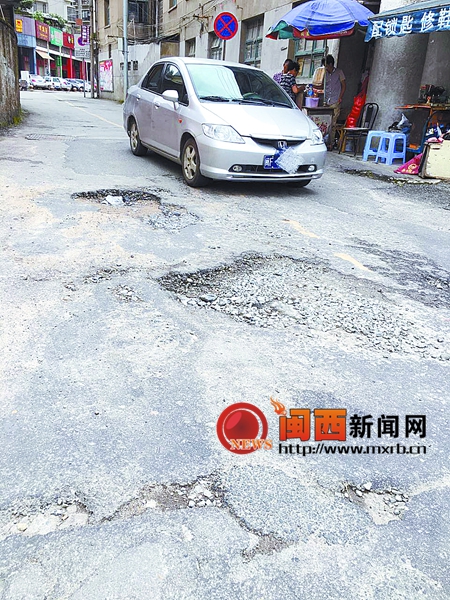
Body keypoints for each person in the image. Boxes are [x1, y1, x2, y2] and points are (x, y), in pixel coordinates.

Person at [324, 54, 346, 148]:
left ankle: (330, 143)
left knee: (333, 124)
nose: (325, 68)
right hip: (326, 101)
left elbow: (344, 85)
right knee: (325, 123)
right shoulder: (324, 73)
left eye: (326, 66)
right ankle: (324, 141)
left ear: (330, 64)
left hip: (335, 100)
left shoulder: (339, 72)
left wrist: (340, 97)